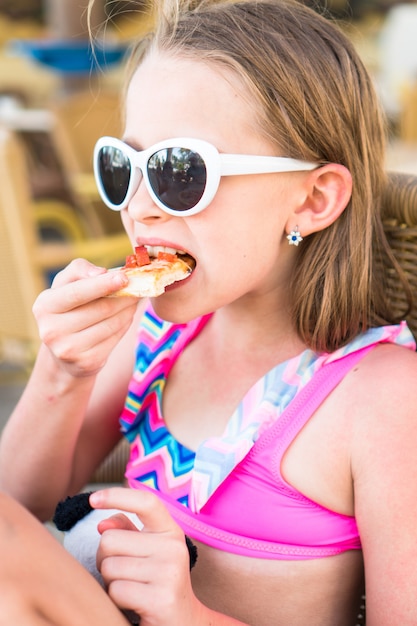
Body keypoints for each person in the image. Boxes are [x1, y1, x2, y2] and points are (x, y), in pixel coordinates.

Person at [0, 0, 417, 624]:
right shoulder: (158, 335)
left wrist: (189, 614)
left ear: (312, 199)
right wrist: (62, 373)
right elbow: (19, 502)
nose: (139, 207)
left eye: (177, 171)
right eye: (124, 165)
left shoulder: (381, 400)